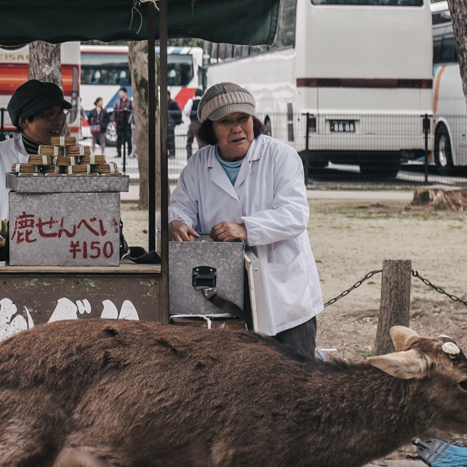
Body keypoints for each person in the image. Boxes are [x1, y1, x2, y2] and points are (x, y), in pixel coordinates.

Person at [167, 80, 323, 360]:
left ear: (254, 120)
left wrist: (245, 228)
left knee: (296, 381)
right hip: (225, 294)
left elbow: (295, 215)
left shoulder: (281, 156)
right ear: (210, 130)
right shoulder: (199, 165)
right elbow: (181, 205)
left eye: (243, 118)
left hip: (284, 291)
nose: (237, 127)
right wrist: (176, 222)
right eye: (225, 121)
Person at [0, 78, 71, 230]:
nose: (60, 121)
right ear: (24, 122)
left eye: (61, 112)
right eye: (50, 114)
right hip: (7, 250)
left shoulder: (77, 159)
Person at [114, 91, 133, 162]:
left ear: (125, 93)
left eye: (122, 93)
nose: (120, 94)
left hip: (127, 123)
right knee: (119, 138)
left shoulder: (129, 102)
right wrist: (114, 120)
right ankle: (119, 153)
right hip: (119, 122)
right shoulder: (118, 102)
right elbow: (114, 111)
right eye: (120, 93)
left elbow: (132, 111)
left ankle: (129, 152)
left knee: (128, 138)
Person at [185, 92, 200, 160]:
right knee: (201, 143)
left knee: (189, 141)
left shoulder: (191, 101)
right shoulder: (203, 102)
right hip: (201, 124)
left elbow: (186, 111)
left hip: (193, 122)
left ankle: (189, 157)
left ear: (195, 94)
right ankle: (201, 157)